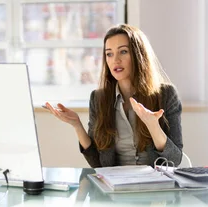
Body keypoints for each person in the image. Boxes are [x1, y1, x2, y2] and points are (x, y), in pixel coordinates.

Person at [44, 24, 183, 168]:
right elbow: (97, 164)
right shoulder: (98, 99)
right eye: (109, 54)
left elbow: (175, 160)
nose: (115, 60)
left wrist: (153, 125)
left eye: (123, 52)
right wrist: (77, 125)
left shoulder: (166, 95)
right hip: (115, 185)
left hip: (154, 183)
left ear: (138, 54)